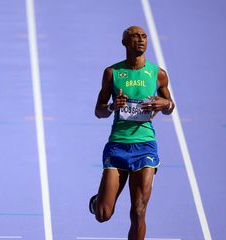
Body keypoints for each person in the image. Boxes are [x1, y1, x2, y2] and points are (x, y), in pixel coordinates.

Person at [89, 26, 174, 239]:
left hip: (145, 145)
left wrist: (165, 103)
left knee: (138, 211)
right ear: (125, 42)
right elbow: (98, 111)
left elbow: (170, 107)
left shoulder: (158, 74)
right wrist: (111, 106)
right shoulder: (112, 73)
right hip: (118, 145)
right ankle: (96, 201)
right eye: (135, 37)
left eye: (143, 36)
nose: (140, 40)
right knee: (103, 214)